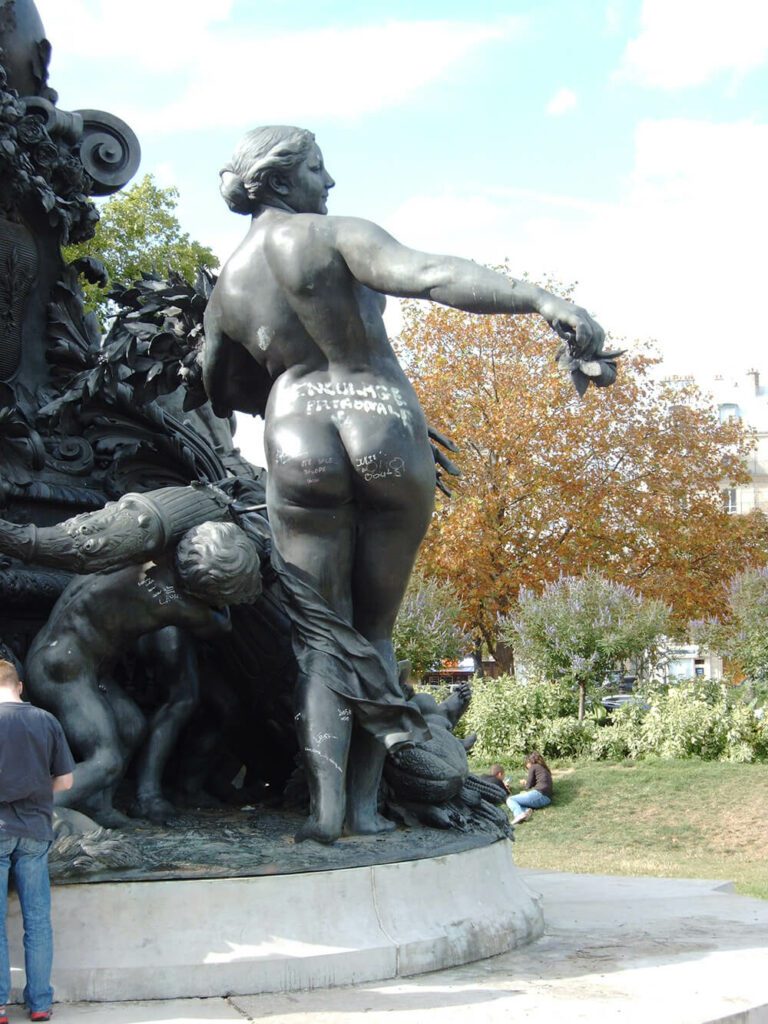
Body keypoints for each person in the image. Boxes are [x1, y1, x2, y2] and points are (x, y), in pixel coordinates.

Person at [202, 125, 607, 844]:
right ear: (281, 180)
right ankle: (363, 809)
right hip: (380, 420)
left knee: (323, 639)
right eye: (319, 170)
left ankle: (323, 811)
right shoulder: (328, 235)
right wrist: (540, 299)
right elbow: (430, 275)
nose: (329, 184)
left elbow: (220, 384)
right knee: (373, 632)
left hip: (295, 433)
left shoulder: (227, 285)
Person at [23, 521, 263, 827]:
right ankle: (31, 808)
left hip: (77, 662)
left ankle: (99, 805)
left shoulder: (136, 551)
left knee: (132, 726)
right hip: (62, 671)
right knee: (105, 760)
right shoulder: (173, 602)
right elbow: (222, 622)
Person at [0, 659, 74, 1023]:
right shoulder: (46, 721)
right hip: (35, 831)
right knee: (38, 921)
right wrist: (35, 792)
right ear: (21, 686)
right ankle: (40, 1002)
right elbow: (66, 782)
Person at [506, 752, 553, 824]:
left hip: (540, 795)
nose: (526, 766)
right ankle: (526, 811)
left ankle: (518, 814)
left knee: (510, 799)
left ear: (529, 762)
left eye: (526, 764)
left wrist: (524, 782)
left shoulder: (533, 767)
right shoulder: (543, 768)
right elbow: (536, 782)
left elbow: (528, 786)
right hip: (547, 799)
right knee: (518, 802)